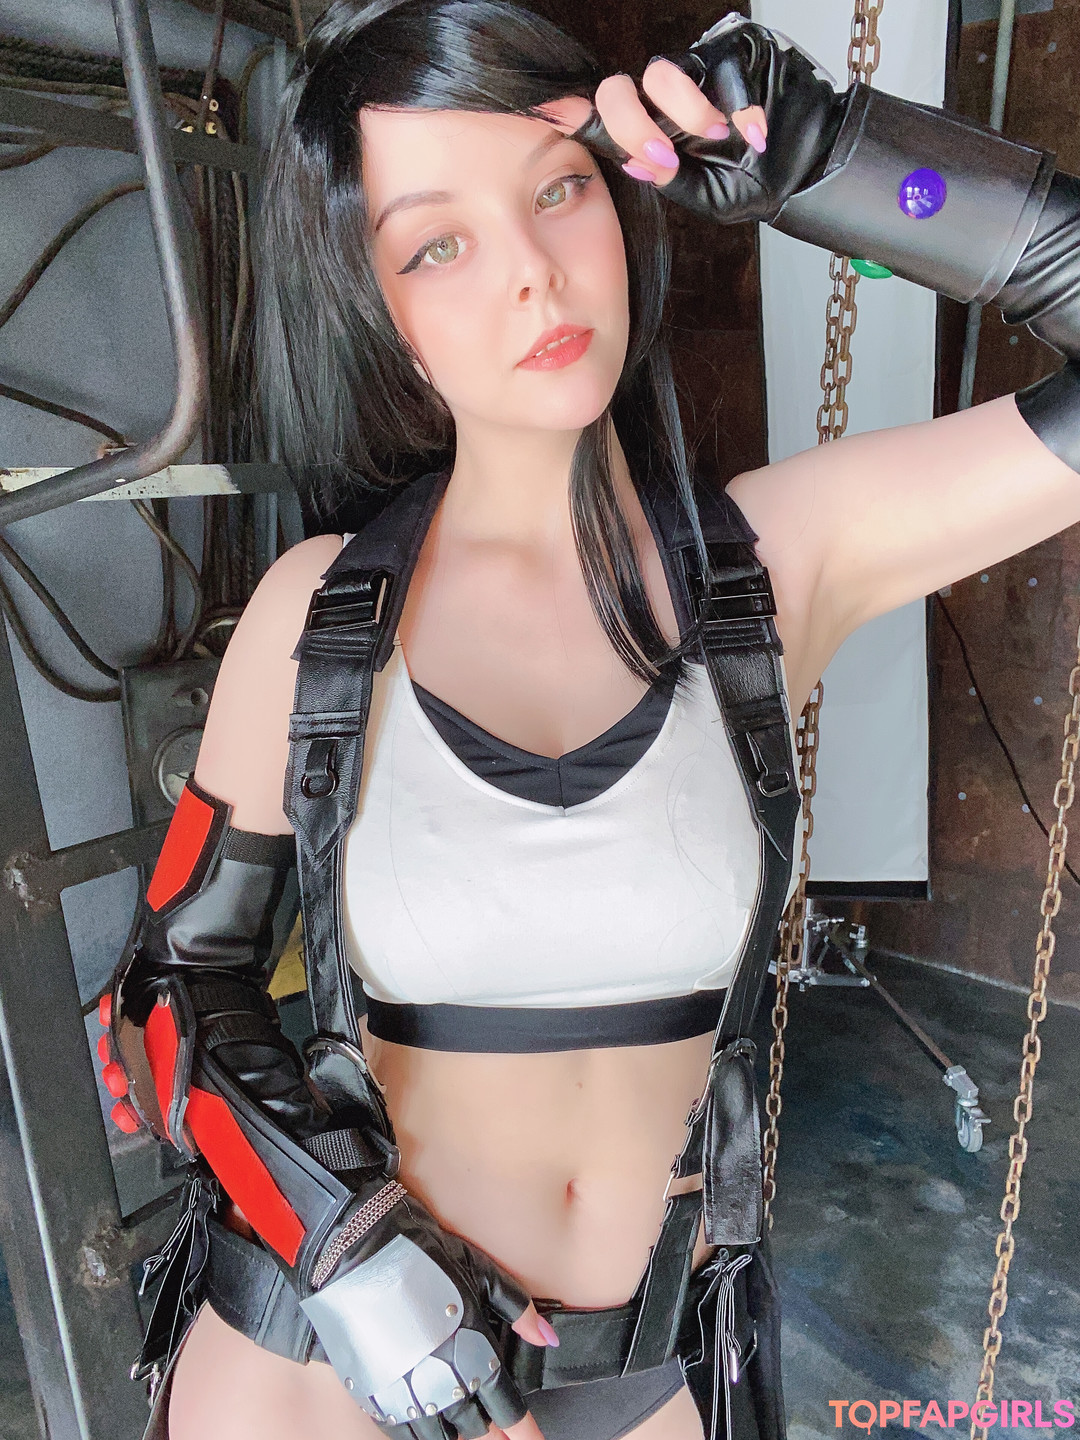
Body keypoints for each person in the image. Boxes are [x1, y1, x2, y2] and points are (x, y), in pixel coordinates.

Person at [97, 5, 1080, 1440]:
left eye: (558, 189)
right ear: (379, 313)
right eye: (438, 246)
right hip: (326, 1363)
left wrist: (828, 155)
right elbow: (173, 990)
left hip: (646, 1364)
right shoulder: (323, 615)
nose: (532, 272)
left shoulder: (775, 565)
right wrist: (347, 1251)